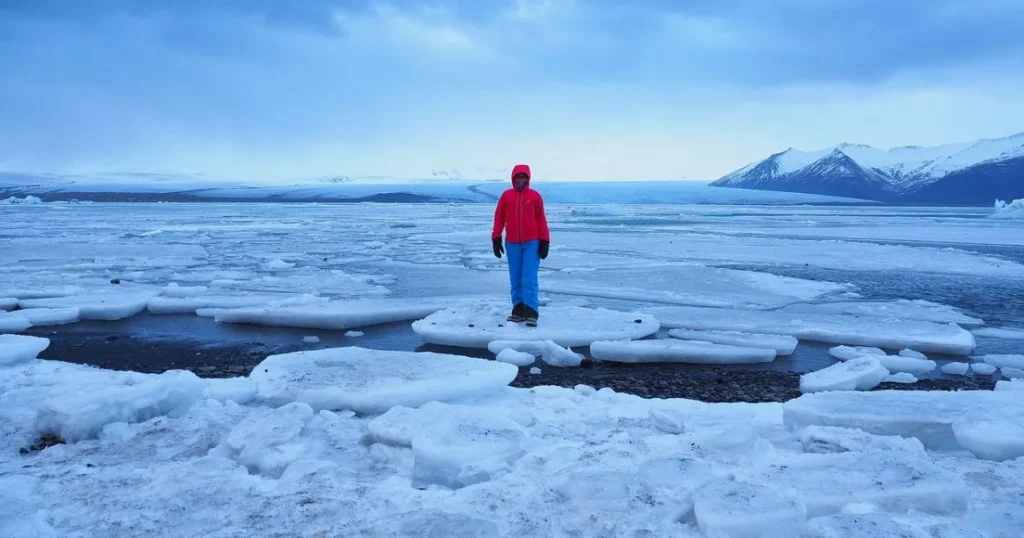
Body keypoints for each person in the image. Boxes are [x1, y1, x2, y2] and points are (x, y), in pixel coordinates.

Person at [492, 164, 550, 327]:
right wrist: (496, 238)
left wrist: (545, 241)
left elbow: (541, 219)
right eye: (518, 177)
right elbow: (499, 217)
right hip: (512, 243)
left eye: (523, 177)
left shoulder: (535, 196)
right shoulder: (506, 196)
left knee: (529, 277)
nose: (520, 180)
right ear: (513, 178)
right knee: (515, 278)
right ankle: (518, 310)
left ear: (528, 178)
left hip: (532, 242)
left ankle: (531, 312)